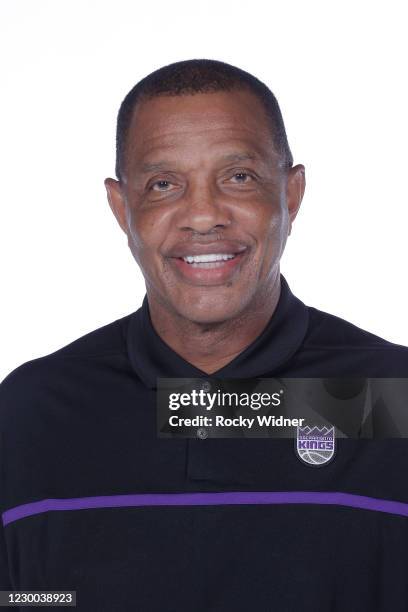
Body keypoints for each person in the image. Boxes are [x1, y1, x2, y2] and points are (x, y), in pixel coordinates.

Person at [1, 58, 408, 612]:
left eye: (238, 177)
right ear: (122, 208)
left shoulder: (393, 397)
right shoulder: (32, 414)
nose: (201, 215)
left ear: (292, 194)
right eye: (164, 184)